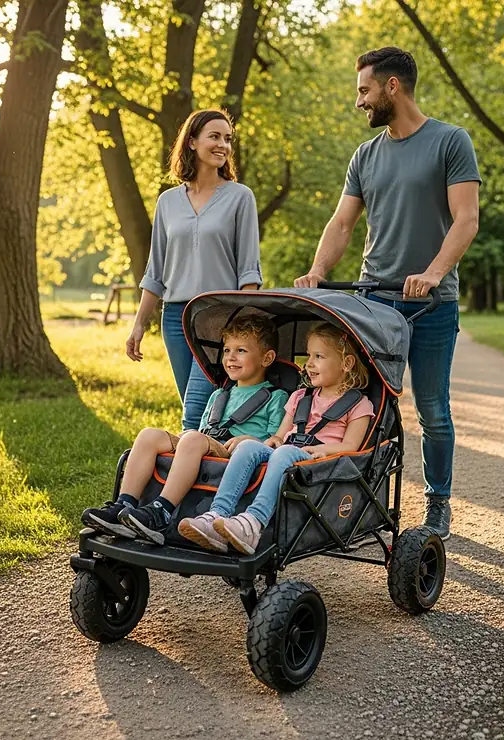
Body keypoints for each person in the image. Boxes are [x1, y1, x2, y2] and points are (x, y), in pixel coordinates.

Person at [294, 47, 481, 541]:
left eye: (364, 90)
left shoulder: (450, 141)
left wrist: (435, 272)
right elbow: (342, 222)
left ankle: (438, 502)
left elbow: (466, 219)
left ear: (391, 87)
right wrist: (317, 270)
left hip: (431, 305)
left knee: (434, 408)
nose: (359, 101)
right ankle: (363, 498)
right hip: (374, 302)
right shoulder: (366, 155)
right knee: (369, 405)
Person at [82, 314, 288, 546]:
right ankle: (125, 504)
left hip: (236, 454)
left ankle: (162, 511)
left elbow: (275, 443)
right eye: (227, 350)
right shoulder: (219, 395)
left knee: (192, 440)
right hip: (206, 443)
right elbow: (203, 430)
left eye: (241, 351)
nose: (230, 357)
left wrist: (251, 439)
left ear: (267, 358)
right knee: (149, 435)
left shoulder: (275, 397)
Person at [178, 323, 374, 555]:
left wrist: (325, 451)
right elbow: (280, 437)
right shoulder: (300, 397)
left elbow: (352, 446)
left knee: (285, 452)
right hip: (288, 453)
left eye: (318, 356)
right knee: (249, 446)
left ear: (346, 363)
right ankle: (216, 515)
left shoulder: (359, 404)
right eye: (308, 355)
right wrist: (272, 440)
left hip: (321, 463)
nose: (309, 363)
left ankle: (253, 522)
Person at [125, 108, 263, 432]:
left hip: (220, 318)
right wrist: (138, 326)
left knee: (195, 414)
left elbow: (249, 272)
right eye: (214, 137)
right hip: (175, 318)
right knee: (197, 410)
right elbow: (155, 272)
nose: (223, 145)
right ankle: (210, 473)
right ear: (191, 142)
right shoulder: (167, 202)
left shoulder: (240, 198)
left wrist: (242, 328)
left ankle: (187, 478)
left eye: (227, 139)